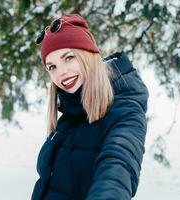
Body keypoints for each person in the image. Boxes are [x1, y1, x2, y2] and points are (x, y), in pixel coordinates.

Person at [31, 13, 149, 200]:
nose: (61, 72)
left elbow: (118, 169)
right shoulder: (69, 117)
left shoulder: (125, 113)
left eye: (69, 58)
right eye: (52, 67)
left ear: (88, 56)